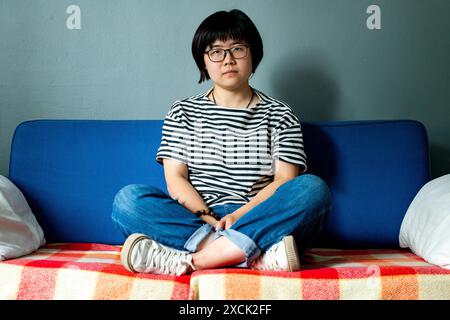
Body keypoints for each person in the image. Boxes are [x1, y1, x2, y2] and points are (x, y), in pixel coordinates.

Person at [111, 9, 331, 276]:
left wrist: (239, 218)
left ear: (253, 55)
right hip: (197, 218)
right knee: (127, 201)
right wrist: (209, 220)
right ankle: (250, 255)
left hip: (260, 216)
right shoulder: (182, 112)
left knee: (312, 189)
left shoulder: (281, 114)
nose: (228, 60)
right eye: (216, 51)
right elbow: (175, 179)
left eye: (237, 49)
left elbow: (284, 180)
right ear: (204, 62)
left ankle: (195, 260)